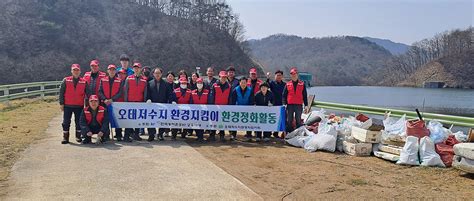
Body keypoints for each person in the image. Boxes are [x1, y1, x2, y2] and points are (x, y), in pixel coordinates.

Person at [59, 64, 88, 144]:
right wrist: (61, 103)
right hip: (68, 105)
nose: (76, 72)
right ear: (71, 71)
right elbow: (61, 92)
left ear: (80, 71)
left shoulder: (84, 82)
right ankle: (65, 137)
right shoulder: (66, 80)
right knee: (66, 122)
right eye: (74, 70)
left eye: (77, 70)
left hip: (79, 105)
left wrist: (87, 105)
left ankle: (78, 136)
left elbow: (88, 94)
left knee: (78, 122)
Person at [146, 68, 176, 142]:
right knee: (151, 120)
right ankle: (151, 135)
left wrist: (171, 101)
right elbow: (147, 94)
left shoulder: (166, 84)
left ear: (161, 74)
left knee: (162, 121)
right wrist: (148, 99)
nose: (157, 74)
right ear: (153, 74)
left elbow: (170, 94)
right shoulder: (150, 83)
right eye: (156, 73)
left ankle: (160, 134)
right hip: (152, 105)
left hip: (163, 105)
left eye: (159, 73)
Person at [123, 62, 148, 142]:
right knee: (129, 120)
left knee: (138, 120)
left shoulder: (144, 79)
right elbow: (126, 90)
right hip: (130, 102)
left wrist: (144, 102)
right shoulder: (128, 78)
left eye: (138, 68)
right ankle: (126, 136)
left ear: (140, 69)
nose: (136, 69)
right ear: (133, 69)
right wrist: (126, 102)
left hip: (139, 103)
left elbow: (145, 92)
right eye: (135, 68)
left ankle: (136, 135)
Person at [98, 64, 123, 141]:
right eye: (110, 70)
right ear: (107, 71)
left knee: (117, 119)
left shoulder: (119, 80)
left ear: (115, 71)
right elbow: (100, 91)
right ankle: (106, 134)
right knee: (105, 119)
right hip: (105, 103)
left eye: (113, 70)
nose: (112, 71)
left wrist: (112, 99)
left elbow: (120, 92)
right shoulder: (103, 80)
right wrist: (105, 99)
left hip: (115, 103)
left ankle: (118, 134)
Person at [282, 67, 308, 133]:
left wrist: (306, 105)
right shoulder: (287, 84)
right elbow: (284, 95)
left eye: (295, 74)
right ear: (291, 75)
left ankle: (298, 133)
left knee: (298, 120)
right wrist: (284, 103)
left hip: (298, 105)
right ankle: (289, 133)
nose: (293, 75)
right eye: (292, 74)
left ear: (297, 75)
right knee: (289, 120)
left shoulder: (302, 84)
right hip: (290, 105)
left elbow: (304, 95)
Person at [208, 71, 232, 142]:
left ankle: (222, 136)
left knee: (222, 122)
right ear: (219, 77)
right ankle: (212, 135)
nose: (223, 78)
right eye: (222, 77)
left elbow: (230, 98)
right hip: (215, 107)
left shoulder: (229, 86)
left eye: (225, 77)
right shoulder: (214, 85)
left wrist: (229, 106)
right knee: (213, 121)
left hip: (224, 107)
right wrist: (211, 106)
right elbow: (212, 96)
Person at [229, 77, 255, 141]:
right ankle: (233, 134)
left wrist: (249, 108)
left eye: (244, 82)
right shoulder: (235, 90)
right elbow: (233, 100)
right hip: (237, 109)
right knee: (235, 121)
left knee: (249, 122)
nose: (243, 84)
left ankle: (249, 135)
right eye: (242, 82)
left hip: (247, 108)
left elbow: (251, 100)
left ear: (246, 83)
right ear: (239, 83)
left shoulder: (250, 90)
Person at [266, 70, 286, 138]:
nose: (278, 77)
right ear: (275, 76)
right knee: (272, 119)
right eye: (277, 75)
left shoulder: (285, 84)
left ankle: (276, 133)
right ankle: (269, 133)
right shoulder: (272, 83)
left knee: (279, 119)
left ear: (282, 76)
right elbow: (266, 85)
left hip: (281, 104)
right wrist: (268, 78)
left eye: (280, 75)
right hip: (273, 104)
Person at [190, 78, 209, 142]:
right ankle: (198, 136)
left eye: (201, 83)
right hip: (195, 112)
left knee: (202, 124)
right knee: (196, 125)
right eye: (198, 83)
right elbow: (191, 102)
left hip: (204, 111)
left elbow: (209, 101)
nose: (199, 84)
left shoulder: (207, 92)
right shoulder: (192, 92)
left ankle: (201, 136)